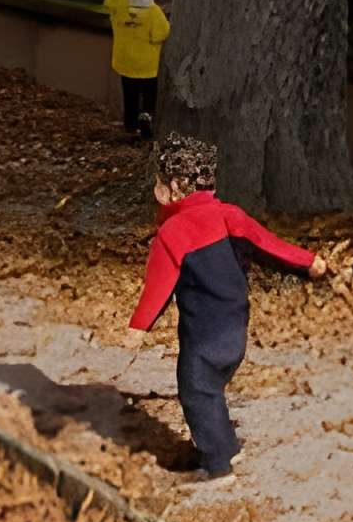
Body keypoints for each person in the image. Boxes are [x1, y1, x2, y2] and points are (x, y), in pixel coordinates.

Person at [128, 134, 326, 479]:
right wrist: (308, 262)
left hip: (203, 337)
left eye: (159, 183)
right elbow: (269, 245)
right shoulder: (230, 215)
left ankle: (220, 465)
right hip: (235, 330)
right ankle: (225, 447)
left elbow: (158, 287)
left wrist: (137, 327)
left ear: (173, 188)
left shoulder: (173, 232)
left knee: (196, 392)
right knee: (211, 389)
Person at [106, 0, 172, 141]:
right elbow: (162, 33)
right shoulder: (153, 11)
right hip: (147, 65)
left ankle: (130, 124)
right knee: (148, 95)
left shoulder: (119, 7)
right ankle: (146, 117)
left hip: (125, 63)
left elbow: (109, 2)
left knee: (130, 95)